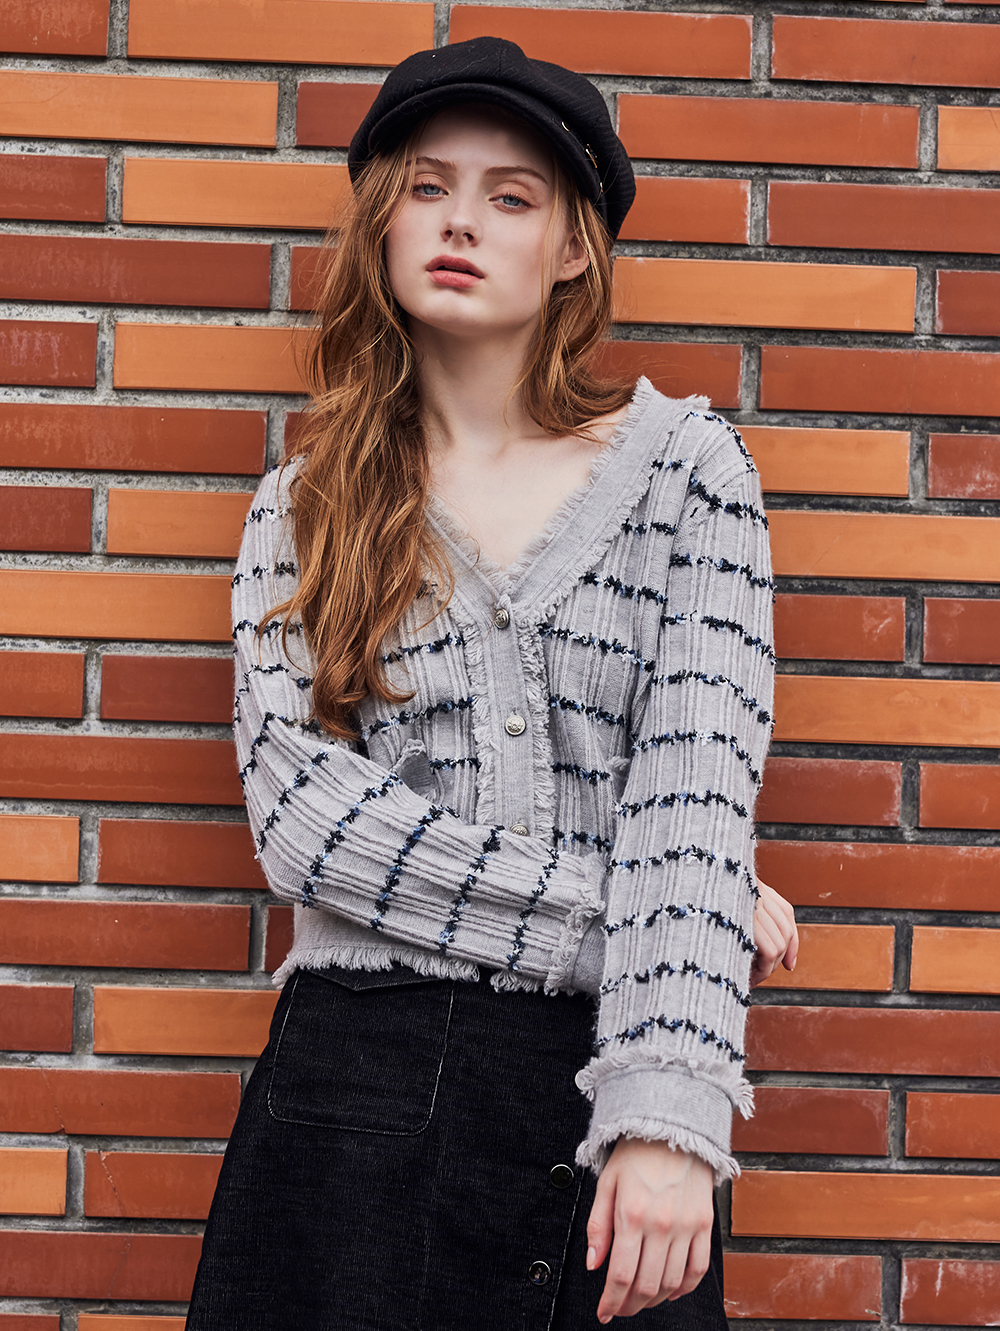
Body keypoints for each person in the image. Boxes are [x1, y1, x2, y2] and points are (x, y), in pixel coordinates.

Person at [185, 35, 797, 1330]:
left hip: (607, 1096)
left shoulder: (688, 478)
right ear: (383, 219)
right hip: (350, 1096)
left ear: (573, 247)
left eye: (510, 197)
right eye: (427, 186)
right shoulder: (305, 506)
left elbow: (695, 796)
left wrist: (671, 1118)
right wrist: (647, 914)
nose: (460, 221)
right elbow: (307, 824)